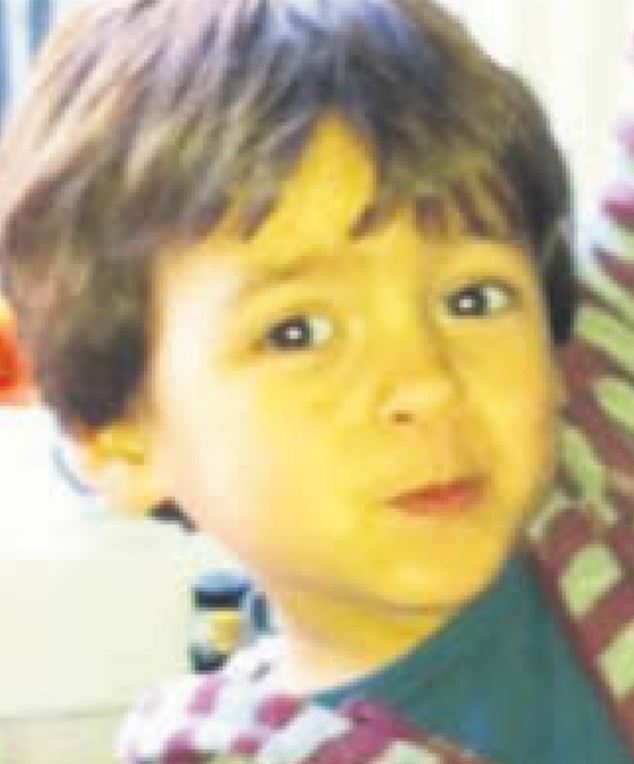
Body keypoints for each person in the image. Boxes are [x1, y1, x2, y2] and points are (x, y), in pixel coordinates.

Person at [0, 0, 632, 761]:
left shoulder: (597, 453)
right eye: (296, 332)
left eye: (473, 300)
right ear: (119, 441)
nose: (426, 384)